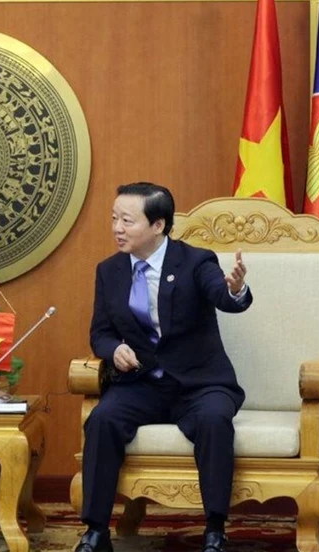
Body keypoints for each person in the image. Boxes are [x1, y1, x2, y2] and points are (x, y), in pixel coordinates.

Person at [76, 182, 251, 552]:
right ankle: (95, 531)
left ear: (158, 225)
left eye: (127, 220)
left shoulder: (195, 261)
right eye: (114, 219)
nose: (117, 228)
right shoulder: (110, 271)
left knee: (214, 420)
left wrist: (235, 288)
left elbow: (223, 297)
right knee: (102, 419)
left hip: (200, 384)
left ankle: (215, 531)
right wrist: (115, 349)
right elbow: (101, 333)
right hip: (141, 384)